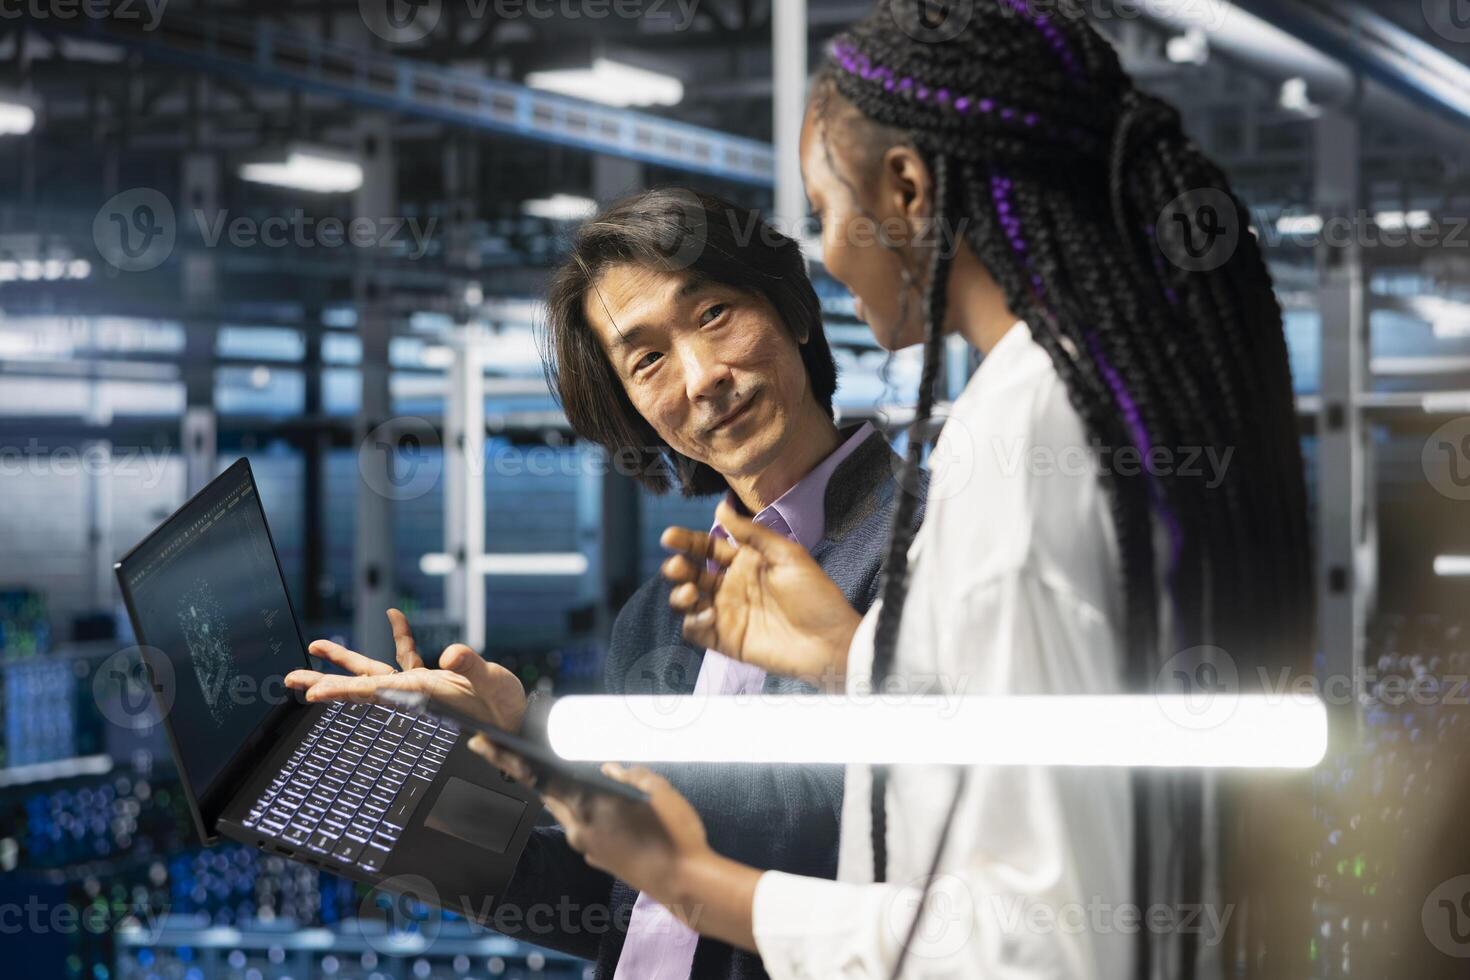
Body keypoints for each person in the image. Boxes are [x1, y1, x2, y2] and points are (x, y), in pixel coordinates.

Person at [516, 3, 1317, 979]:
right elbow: (1022, 759)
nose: (826, 253)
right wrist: (855, 660)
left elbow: (1032, 938)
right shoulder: (1056, 400)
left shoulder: (1016, 441)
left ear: (905, 190)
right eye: (646, 360)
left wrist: (690, 877)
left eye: (824, 214)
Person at [286, 189, 925, 979]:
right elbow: (629, 899)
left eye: (715, 313)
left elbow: (828, 818)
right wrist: (408, 800)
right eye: (648, 360)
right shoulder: (655, 619)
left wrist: (541, 736)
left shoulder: (927, 546)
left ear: (791, 308)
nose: (702, 378)